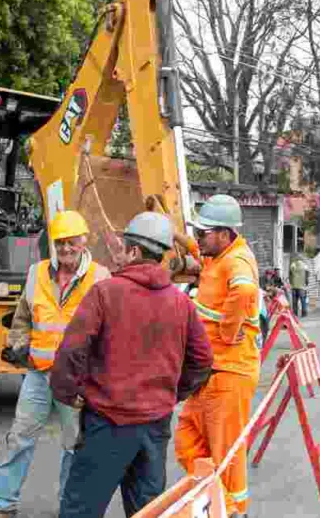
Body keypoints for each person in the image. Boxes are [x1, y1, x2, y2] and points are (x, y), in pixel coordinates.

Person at [50, 212, 214, 518]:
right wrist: (172, 394)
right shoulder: (180, 302)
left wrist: (66, 393)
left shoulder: (105, 293)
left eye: (124, 248)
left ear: (135, 252)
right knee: (148, 510)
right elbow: (203, 360)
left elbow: (72, 350)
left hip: (107, 423)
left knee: (80, 509)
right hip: (154, 427)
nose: (120, 254)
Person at [0, 210, 110, 518]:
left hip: (76, 381)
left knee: (74, 446)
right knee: (19, 437)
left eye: (71, 242)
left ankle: (69, 508)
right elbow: (23, 317)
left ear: (83, 241)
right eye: (60, 243)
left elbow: (110, 330)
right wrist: (18, 346)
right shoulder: (36, 273)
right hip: (39, 376)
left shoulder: (100, 278)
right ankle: (3, 505)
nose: (65, 249)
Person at [175, 194, 261, 518]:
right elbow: (196, 250)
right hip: (210, 371)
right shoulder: (215, 254)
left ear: (224, 233)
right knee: (187, 438)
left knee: (226, 453)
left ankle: (233, 509)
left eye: (204, 232)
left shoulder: (237, 261)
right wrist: (175, 234)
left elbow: (245, 290)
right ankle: (217, 500)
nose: (199, 238)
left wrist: (227, 329)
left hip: (230, 372)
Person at [289, 253, 310, 318]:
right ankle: (304, 313)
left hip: (294, 286)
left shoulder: (293, 265)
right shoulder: (304, 265)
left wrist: (291, 283)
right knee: (303, 300)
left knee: (294, 301)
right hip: (302, 286)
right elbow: (307, 275)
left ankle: (295, 314)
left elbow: (290, 275)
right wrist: (306, 283)